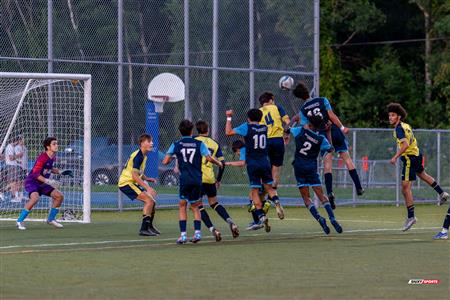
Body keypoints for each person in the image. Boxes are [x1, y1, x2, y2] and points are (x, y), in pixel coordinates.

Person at [293, 82, 364, 209]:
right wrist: (342, 127)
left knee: (327, 165)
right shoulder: (322, 100)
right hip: (335, 130)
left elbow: (306, 127)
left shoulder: (303, 110)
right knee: (347, 159)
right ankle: (358, 187)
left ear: (299, 97)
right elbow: (331, 115)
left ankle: (330, 193)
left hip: (322, 135)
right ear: (308, 91)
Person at [387, 103, 449, 231]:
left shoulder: (399, 128)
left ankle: (411, 217)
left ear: (398, 117)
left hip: (410, 157)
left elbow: (404, 145)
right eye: (389, 115)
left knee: (405, 188)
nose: (390, 118)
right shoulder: (406, 125)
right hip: (416, 154)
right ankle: (442, 193)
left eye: (393, 115)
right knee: (423, 175)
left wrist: (395, 157)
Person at [162, 120, 223, 244]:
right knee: (196, 206)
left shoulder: (176, 144)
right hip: (196, 179)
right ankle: (197, 233)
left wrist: (175, 157)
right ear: (192, 131)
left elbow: (165, 161)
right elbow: (208, 158)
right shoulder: (199, 143)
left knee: (182, 205)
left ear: (180, 131)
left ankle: (183, 235)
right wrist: (218, 163)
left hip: (184, 179)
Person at [225, 108, 281, 231]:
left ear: (248, 119)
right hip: (265, 162)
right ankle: (276, 201)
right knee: (269, 188)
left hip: (253, 163)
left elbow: (228, 132)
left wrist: (229, 117)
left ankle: (260, 217)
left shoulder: (247, 127)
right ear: (260, 118)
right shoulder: (264, 127)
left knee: (254, 192)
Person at [287, 112, 343, 234]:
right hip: (311, 169)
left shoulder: (299, 131)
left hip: (299, 168)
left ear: (310, 124)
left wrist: (291, 122)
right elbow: (331, 149)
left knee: (306, 198)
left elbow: (287, 130)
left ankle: (319, 218)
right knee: (322, 197)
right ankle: (332, 218)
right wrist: (328, 132)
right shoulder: (320, 139)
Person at [16, 137, 73, 230]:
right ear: (48, 147)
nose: (56, 145)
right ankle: (19, 221)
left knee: (59, 196)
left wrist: (61, 172)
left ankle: (51, 219)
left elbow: (49, 168)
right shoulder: (42, 157)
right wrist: (49, 181)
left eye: (56, 143)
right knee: (35, 198)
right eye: (54, 144)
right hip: (32, 182)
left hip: (42, 183)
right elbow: (35, 174)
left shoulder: (52, 157)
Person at [195, 120, 239, 239]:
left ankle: (213, 229)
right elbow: (222, 163)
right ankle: (230, 222)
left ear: (197, 130)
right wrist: (218, 180)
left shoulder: (194, 141)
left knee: (198, 206)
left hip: (197, 177)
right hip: (210, 177)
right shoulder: (214, 143)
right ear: (207, 130)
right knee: (214, 203)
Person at [118, 134, 159, 236]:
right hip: (126, 183)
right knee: (149, 200)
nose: (152, 143)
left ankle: (149, 226)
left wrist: (147, 178)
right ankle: (143, 229)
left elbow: (138, 172)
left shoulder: (143, 155)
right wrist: (148, 188)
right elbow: (134, 176)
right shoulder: (139, 156)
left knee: (152, 201)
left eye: (151, 141)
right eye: (149, 141)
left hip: (131, 182)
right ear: (142, 143)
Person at [226, 139, 271, 231]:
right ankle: (261, 216)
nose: (238, 155)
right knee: (258, 198)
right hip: (266, 175)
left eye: (237, 153)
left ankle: (259, 220)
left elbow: (242, 163)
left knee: (252, 197)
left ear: (237, 149)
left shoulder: (243, 149)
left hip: (260, 178)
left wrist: (228, 163)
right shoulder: (251, 148)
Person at [258, 92, 290, 219]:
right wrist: (286, 133)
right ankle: (272, 198)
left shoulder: (259, 111)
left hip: (264, 141)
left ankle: (264, 195)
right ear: (271, 100)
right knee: (275, 170)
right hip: (278, 140)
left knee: (265, 172)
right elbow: (288, 122)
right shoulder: (278, 108)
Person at [5, 137, 21, 202]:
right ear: (16, 141)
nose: (18, 143)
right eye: (18, 142)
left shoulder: (11, 147)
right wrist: (19, 155)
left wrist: (17, 161)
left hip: (13, 165)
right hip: (11, 166)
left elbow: (7, 157)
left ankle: (15, 196)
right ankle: (14, 197)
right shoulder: (10, 147)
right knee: (13, 183)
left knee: (14, 182)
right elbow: (11, 158)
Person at [14, 135, 28, 201]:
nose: (23, 140)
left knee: (23, 182)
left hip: (24, 167)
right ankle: (16, 196)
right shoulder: (17, 148)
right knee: (18, 182)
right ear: (19, 140)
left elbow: (26, 158)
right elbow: (17, 157)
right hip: (19, 167)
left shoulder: (25, 147)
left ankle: (21, 196)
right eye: (22, 139)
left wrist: (26, 167)